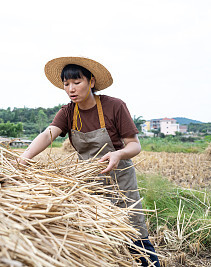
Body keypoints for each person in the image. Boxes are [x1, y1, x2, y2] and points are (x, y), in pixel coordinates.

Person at [17, 56, 160, 266]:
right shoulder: (68, 112)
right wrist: (24, 157)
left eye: (77, 82)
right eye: (66, 84)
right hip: (89, 184)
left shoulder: (114, 107)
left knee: (135, 236)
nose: (71, 89)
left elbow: (134, 145)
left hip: (121, 183)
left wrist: (118, 154)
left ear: (91, 82)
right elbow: (48, 135)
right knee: (96, 238)